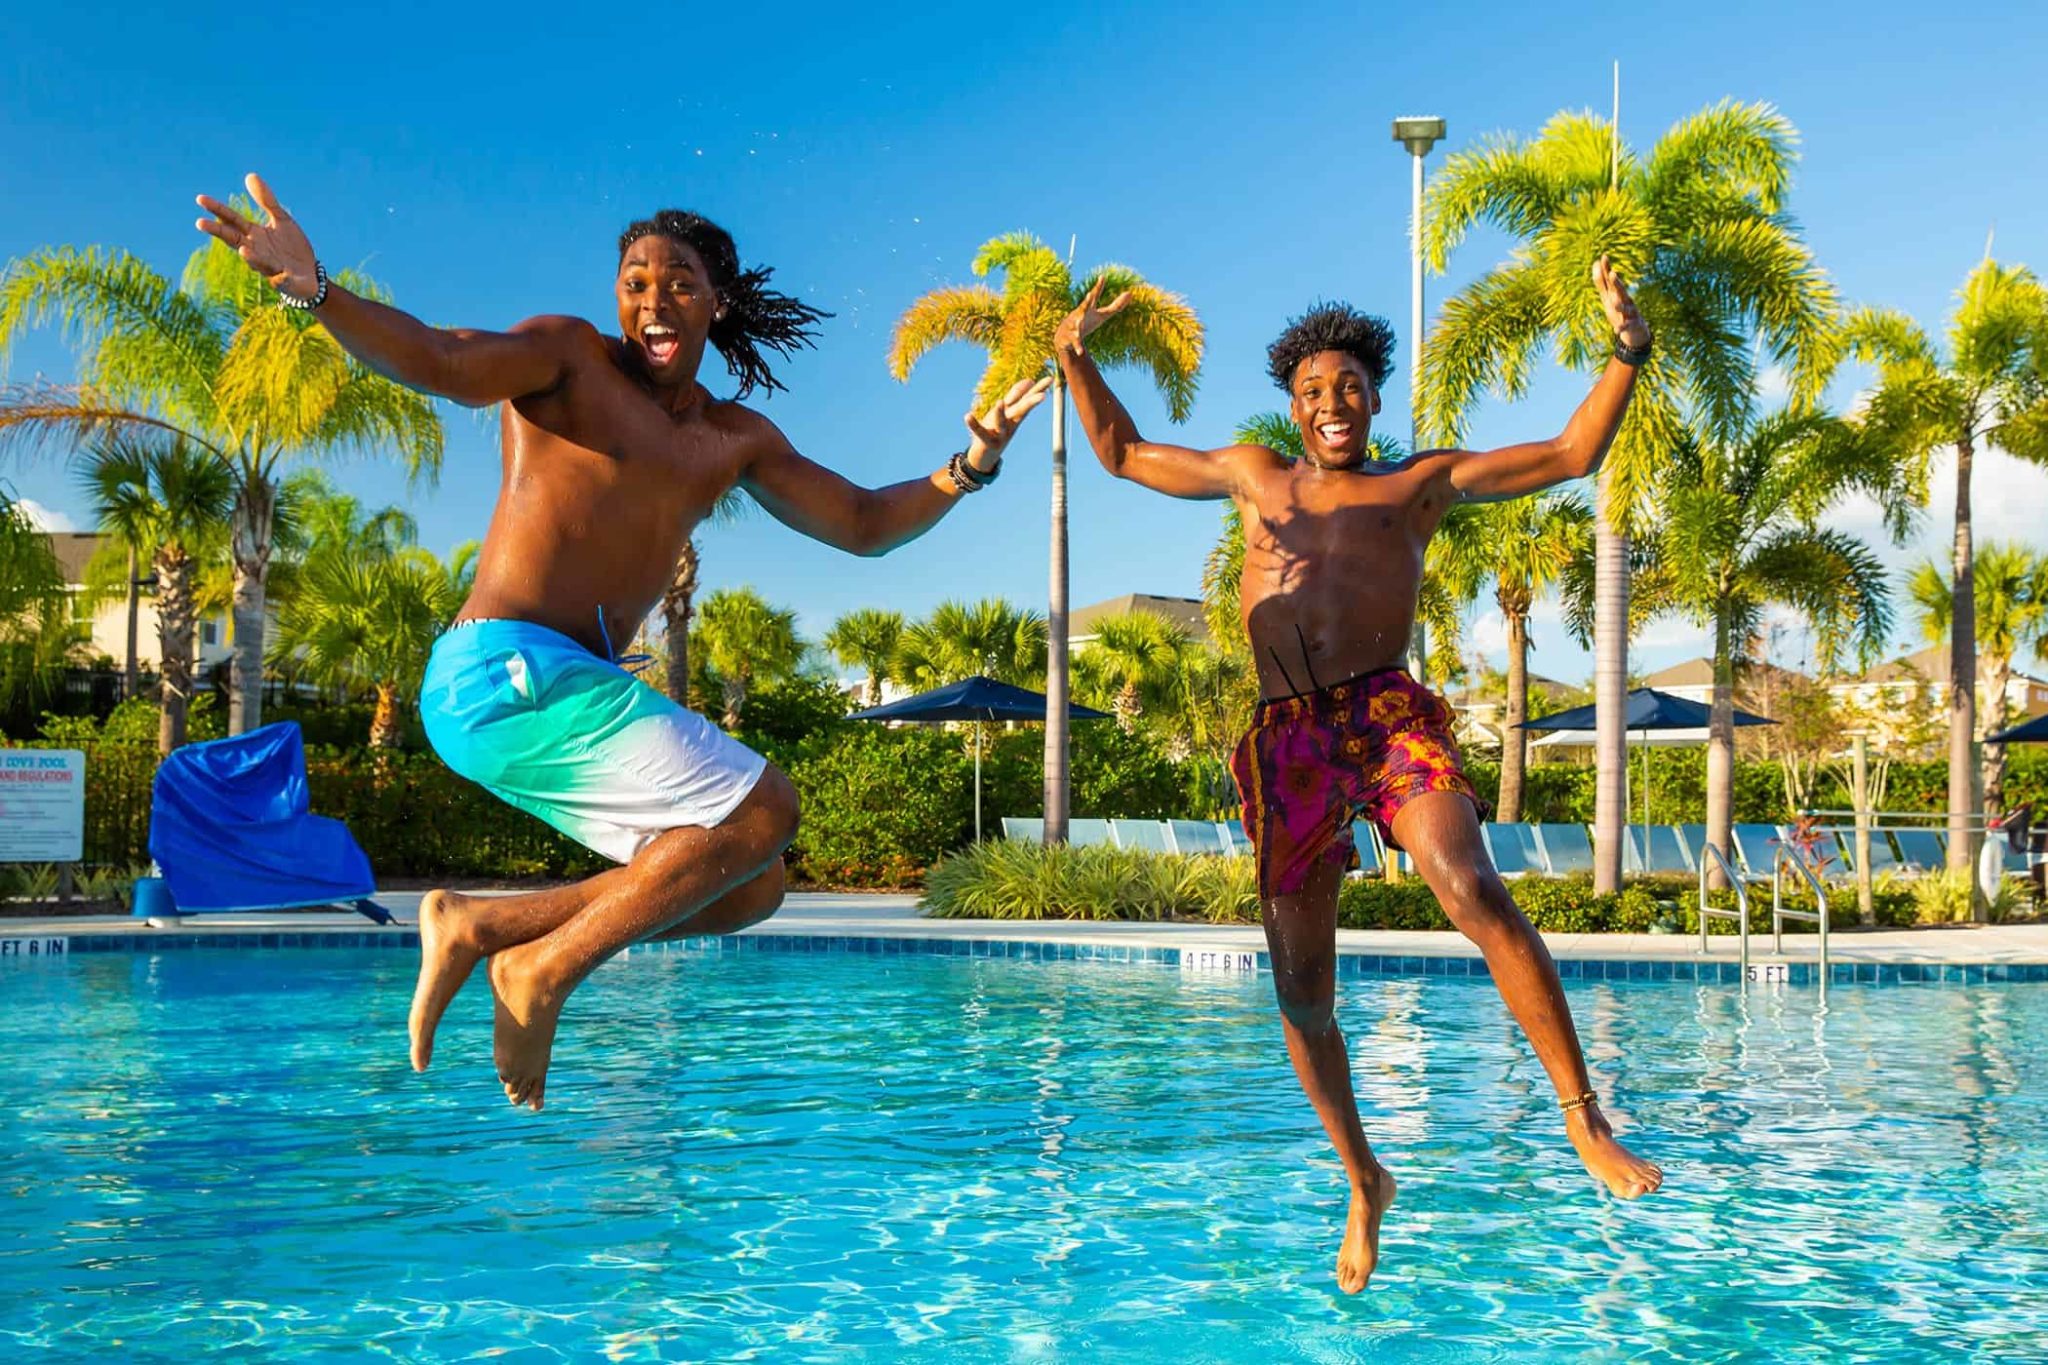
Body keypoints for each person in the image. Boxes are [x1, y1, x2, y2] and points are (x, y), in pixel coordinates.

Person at [196, 175, 1050, 1112]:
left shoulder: (732, 438)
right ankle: (542, 971)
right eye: (635, 280)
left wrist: (972, 463)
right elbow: (442, 358)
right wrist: (317, 291)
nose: (652, 299)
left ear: (716, 304)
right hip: (500, 668)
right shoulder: (570, 361)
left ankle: (481, 925)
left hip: (549, 690)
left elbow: (858, 520)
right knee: (767, 807)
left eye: (678, 282)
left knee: (745, 886)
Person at [1053, 260, 1663, 1293]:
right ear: (1289, 408)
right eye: (1309, 392)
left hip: (1383, 711)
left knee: (1466, 885)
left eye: (1345, 388)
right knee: (1300, 993)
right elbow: (1116, 453)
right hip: (1285, 737)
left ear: (1372, 397)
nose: (1328, 405)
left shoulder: (1412, 483)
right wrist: (1073, 356)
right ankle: (1362, 1178)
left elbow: (1568, 453)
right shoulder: (1253, 475)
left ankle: (1582, 1117)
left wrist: (1626, 354)